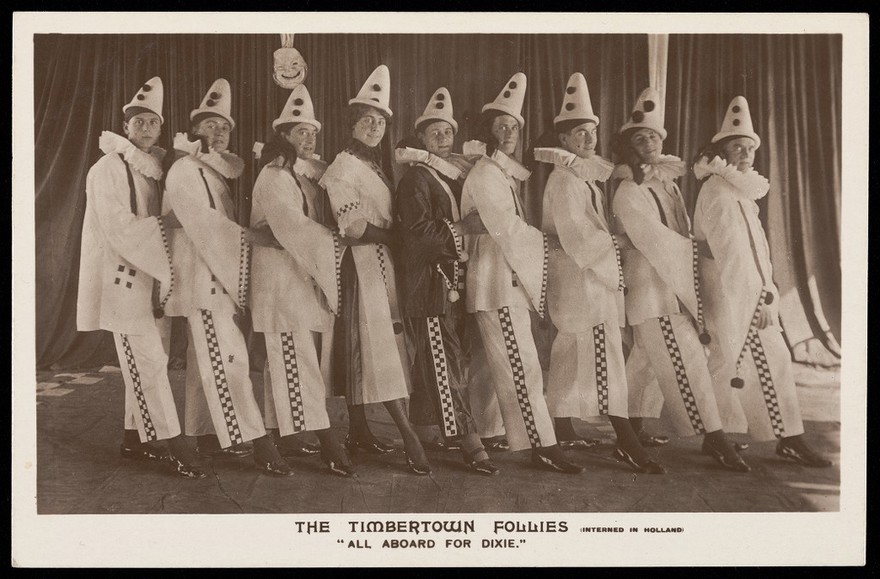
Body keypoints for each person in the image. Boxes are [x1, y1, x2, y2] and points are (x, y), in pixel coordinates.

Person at [611, 87, 750, 473]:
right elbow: (652, 239)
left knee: (644, 363)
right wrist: (696, 255)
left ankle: (631, 431)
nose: (649, 143)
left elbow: (682, 229)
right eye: (640, 138)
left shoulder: (667, 184)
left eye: (654, 136)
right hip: (653, 292)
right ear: (629, 147)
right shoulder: (629, 190)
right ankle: (715, 437)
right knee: (686, 360)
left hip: (672, 287)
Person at [692, 96, 832, 468]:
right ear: (720, 152)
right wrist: (757, 303)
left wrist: (767, 290)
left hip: (747, 292)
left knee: (735, 361)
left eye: (749, 148)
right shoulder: (719, 193)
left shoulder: (738, 191)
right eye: (736, 147)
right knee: (752, 360)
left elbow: (757, 251)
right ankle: (780, 438)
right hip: (731, 293)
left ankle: (723, 435)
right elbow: (731, 255)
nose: (745, 154)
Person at [162, 78, 292, 476]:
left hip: (217, 279)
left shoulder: (215, 175)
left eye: (225, 127)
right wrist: (251, 237)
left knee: (209, 362)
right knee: (228, 360)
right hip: (201, 280)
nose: (219, 132)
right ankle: (258, 442)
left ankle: (202, 434)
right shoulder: (185, 168)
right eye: (211, 125)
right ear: (195, 129)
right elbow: (203, 222)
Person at [537, 73, 665, 474]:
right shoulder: (564, 181)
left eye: (592, 132)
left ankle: (556, 431)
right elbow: (577, 237)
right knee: (602, 360)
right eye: (579, 133)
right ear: (563, 141)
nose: (589, 140)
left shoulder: (584, 178)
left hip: (587, 282)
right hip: (582, 284)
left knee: (570, 358)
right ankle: (626, 442)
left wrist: (607, 244)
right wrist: (617, 244)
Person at [77, 77, 203, 478]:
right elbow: (117, 226)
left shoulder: (152, 170)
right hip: (122, 281)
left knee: (152, 362)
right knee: (146, 363)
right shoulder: (106, 169)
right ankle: (173, 442)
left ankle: (134, 439)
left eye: (153, 123)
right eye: (139, 122)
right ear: (125, 125)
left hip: (152, 280)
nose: (146, 129)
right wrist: (165, 226)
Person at [460, 73, 583, 474]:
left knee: (493, 364)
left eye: (513, 126)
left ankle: (490, 429)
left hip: (499, 282)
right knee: (522, 364)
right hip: (498, 284)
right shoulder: (485, 174)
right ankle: (542, 445)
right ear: (489, 132)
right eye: (501, 126)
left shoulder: (503, 174)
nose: (509, 131)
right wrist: (547, 244)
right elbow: (507, 230)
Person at [319, 65, 431, 475]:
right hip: (359, 268)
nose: (374, 127)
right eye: (366, 120)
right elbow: (352, 228)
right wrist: (395, 237)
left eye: (380, 122)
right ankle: (409, 438)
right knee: (377, 348)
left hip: (380, 265)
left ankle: (360, 430)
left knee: (369, 348)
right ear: (352, 124)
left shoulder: (371, 165)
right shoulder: (341, 168)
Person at [249, 84, 357, 477]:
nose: (309, 139)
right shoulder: (275, 175)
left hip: (299, 275)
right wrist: (337, 242)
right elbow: (291, 227)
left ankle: (282, 433)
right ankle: (327, 439)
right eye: (301, 133)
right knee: (295, 360)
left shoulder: (308, 174)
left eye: (313, 132)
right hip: (280, 280)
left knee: (290, 358)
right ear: (285, 137)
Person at [394, 87, 500, 476]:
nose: (442, 138)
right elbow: (419, 233)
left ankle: (424, 430)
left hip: (448, 282)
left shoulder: (448, 175)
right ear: (419, 137)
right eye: (434, 132)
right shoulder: (415, 179)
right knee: (446, 362)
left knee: (436, 359)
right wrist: (462, 229)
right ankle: (468, 441)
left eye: (447, 132)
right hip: (430, 284)